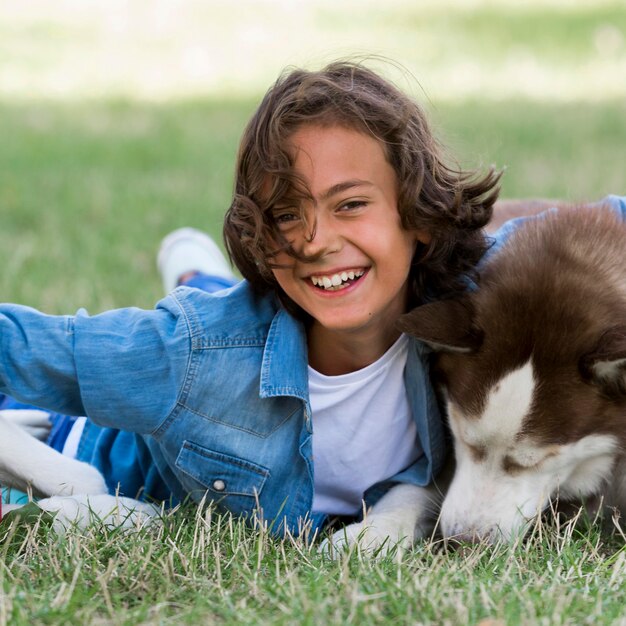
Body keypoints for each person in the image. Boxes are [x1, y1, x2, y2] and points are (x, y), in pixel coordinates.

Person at [1, 61, 624, 538]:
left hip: (266, 317)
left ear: (422, 218)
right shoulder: (189, 355)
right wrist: (76, 482)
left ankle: (197, 275)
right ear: (257, 234)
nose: (319, 240)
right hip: (87, 437)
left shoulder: (469, 303)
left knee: (240, 307)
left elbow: (595, 223)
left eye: (351, 203)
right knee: (215, 327)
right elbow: (36, 348)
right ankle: (198, 283)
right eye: (285, 215)